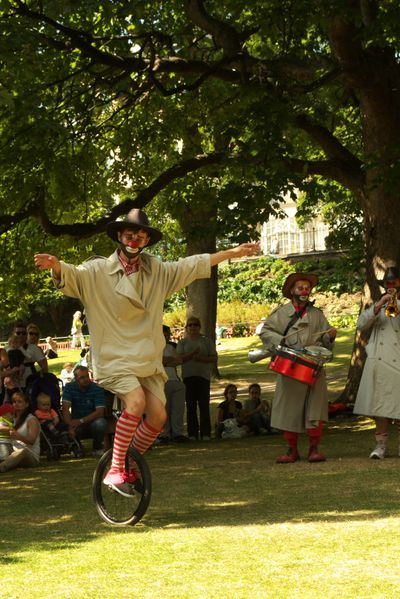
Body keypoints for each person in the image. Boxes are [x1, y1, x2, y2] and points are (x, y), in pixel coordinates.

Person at [35, 208, 259, 495]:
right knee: (136, 402)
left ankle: (130, 462)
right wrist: (56, 265)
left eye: (141, 236)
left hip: (146, 358)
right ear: (119, 236)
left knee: (158, 417)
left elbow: (192, 264)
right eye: (130, 234)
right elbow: (72, 276)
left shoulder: (158, 270)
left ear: (146, 241)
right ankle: (115, 468)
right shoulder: (98, 271)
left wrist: (231, 252)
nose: (135, 239)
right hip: (114, 356)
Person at [259, 272, 336, 463]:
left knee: (315, 410)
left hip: (313, 368)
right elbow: (266, 332)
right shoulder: (281, 313)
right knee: (288, 410)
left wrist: (330, 336)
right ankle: (292, 450)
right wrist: (283, 345)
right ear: (292, 290)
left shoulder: (317, 314)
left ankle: (314, 449)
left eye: (307, 288)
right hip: (290, 366)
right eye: (300, 287)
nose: (304, 291)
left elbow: (324, 339)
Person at [353, 266, 400, 459]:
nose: (390, 286)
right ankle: (381, 445)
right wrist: (378, 305)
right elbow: (361, 325)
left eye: (394, 283)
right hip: (379, 360)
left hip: (398, 359)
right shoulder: (377, 304)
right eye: (387, 283)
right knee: (380, 406)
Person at [176, 317, 218, 441]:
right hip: (188, 377)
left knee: (204, 406)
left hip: (203, 377)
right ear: (186, 328)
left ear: (199, 327)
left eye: (195, 325)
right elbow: (179, 359)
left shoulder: (207, 342)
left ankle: (206, 433)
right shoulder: (182, 343)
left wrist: (201, 359)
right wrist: (191, 354)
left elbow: (214, 358)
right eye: (190, 325)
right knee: (191, 406)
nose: (192, 327)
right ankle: (192, 433)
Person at [62, 366, 107, 457]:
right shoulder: (69, 387)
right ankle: (77, 446)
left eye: (87, 376)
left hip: (91, 422)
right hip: (76, 424)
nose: (86, 379)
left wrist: (80, 421)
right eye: (82, 377)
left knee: (101, 423)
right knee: (65, 427)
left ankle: (97, 448)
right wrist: (69, 426)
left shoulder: (96, 388)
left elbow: (100, 412)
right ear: (76, 379)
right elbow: (65, 409)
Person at [159, 325, 189, 444]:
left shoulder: (171, 347)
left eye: (167, 335)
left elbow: (179, 360)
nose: (165, 337)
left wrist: (166, 361)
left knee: (178, 409)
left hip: (175, 381)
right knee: (165, 410)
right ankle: (165, 434)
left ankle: (177, 433)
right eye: (163, 335)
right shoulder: (154, 348)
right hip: (162, 382)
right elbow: (158, 361)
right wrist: (169, 361)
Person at [0, 390, 40, 473]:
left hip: (29, 455)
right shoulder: (11, 418)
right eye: (14, 402)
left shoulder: (31, 419)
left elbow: (31, 440)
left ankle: (2, 467)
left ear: (26, 404)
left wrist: (18, 436)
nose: (16, 404)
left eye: (20, 402)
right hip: (11, 451)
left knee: (22, 451)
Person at [11, 323, 48, 389]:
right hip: (11, 382)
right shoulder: (9, 346)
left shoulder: (35, 348)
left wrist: (39, 378)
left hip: (29, 381)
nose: (33, 336)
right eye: (31, 333)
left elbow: (44, 367)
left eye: (36, 334)